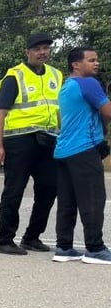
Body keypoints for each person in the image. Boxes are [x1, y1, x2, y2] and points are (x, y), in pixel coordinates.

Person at [0, 31, 63, 255]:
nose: (42, 52)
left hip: (48, 140)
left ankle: (32, 237)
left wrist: (63, 137)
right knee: (14, 190)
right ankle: (5, 240)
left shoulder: (56, 75)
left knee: (49, 188)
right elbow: (0, 112)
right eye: (37, 49)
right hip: (18, 141)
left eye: (46, 48)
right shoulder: (15, 76)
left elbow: (58, 109)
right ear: (27, 52)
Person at [50, 47, 111, 264]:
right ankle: (95, 249)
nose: (97, 63)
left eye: (97, 60)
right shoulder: (88, 83)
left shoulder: (67, 86)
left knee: (68, 201)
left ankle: (64, 247)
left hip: (64, 151)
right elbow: (108, 112)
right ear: (76, 64)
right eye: (91, 60)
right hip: (84, 149)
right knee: (93, 198)